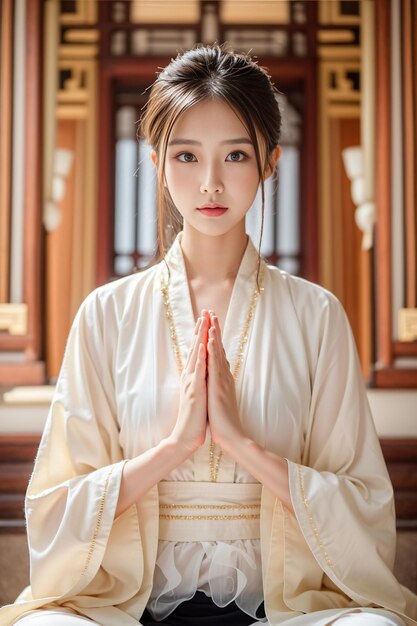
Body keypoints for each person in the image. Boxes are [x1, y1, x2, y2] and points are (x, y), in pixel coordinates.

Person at [1, 44, 417, 626]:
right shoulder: (107, 314)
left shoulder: (316, 315)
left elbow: (363, 506)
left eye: (237, 155)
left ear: (270, 161)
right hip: (125, 606)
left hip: (288, 608)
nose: (211, 184)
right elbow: (56, 506)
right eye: (187, 156)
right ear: (157, 162)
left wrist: (245, 447)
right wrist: (174, 448)